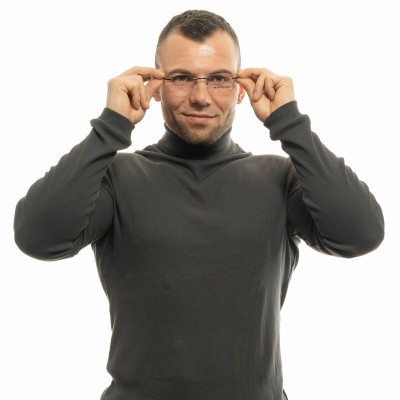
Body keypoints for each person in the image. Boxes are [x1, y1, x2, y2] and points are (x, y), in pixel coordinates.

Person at [13, 9, 384, 400]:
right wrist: (110, 127)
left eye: (219, 78)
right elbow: (38, 237)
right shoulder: (115, 177)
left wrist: (289, 123)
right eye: (181, 78)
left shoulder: (281, 178)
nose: (201, 97)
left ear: (240, 88)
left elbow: (360, 234)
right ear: (156, 86)